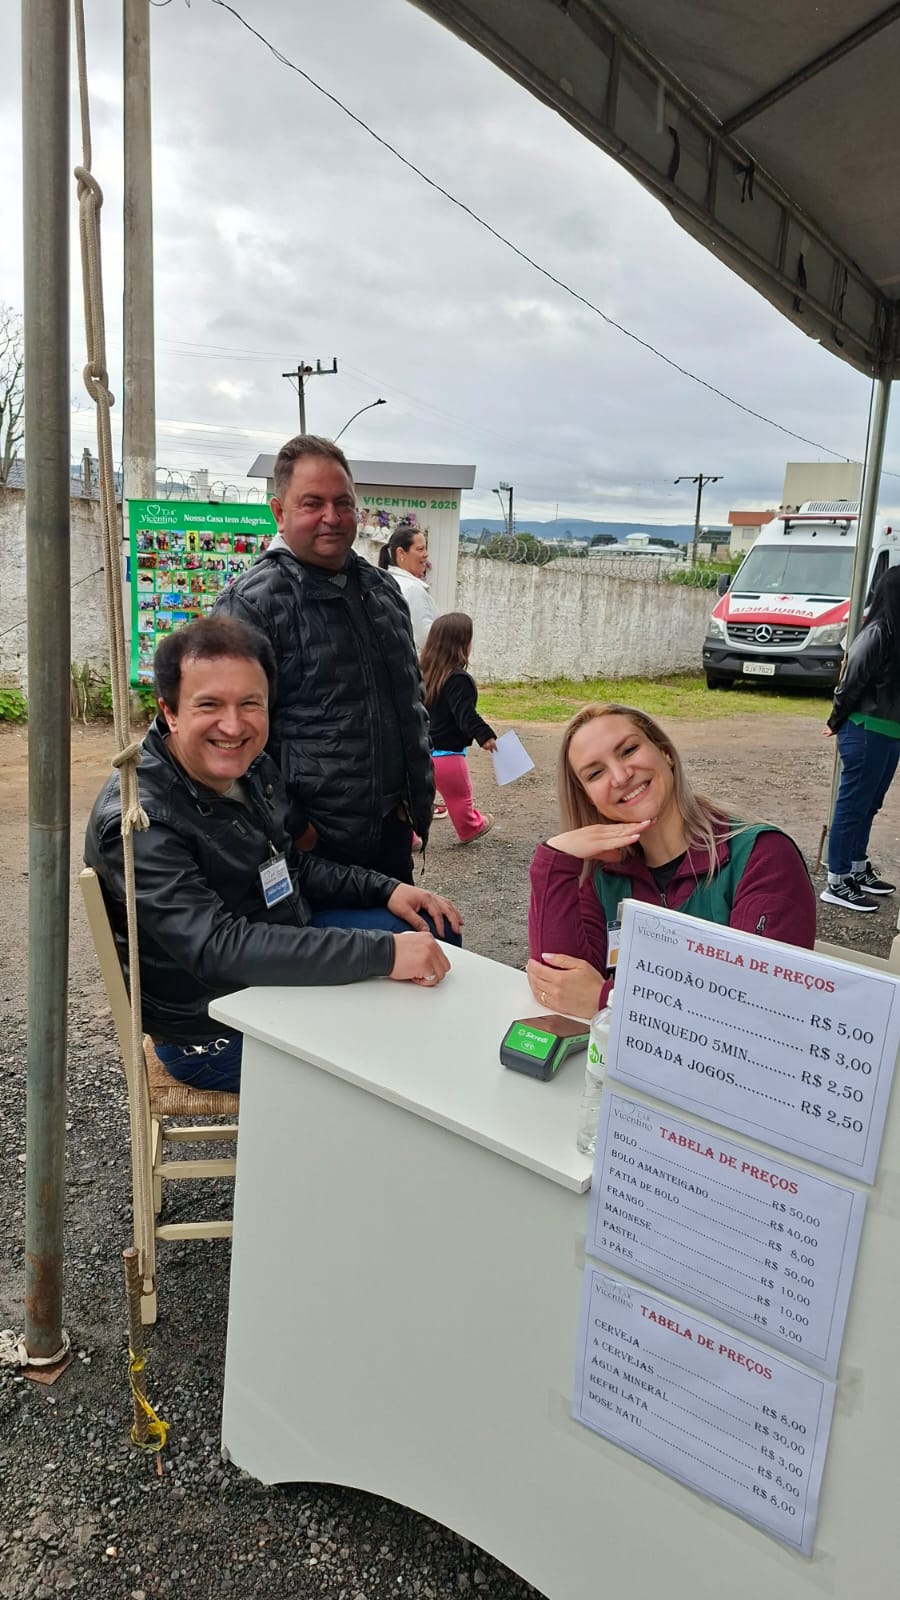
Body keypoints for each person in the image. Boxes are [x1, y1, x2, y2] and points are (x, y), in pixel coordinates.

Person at [84, 617, 461, 1093]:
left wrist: (386, 889)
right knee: (410, 1032)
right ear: (170, 711)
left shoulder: (251, 767)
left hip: (275, 945)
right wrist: (382, 954)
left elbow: (286, 864)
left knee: (432, 929)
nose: (233, 725)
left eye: (250, 704)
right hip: (213, 1025)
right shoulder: (140, 819)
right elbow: (216, 947)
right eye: (209, 705)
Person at [213, 435, 433, 883]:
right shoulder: (249, 607)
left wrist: (411, 799)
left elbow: (409, 699)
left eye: (343, 502)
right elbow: (229, 736)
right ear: (279, 512)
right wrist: (296, 827)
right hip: (313, 854)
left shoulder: (384, 591)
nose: (331, 517)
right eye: (312, 503)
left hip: (391, 836)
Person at [526, 702, 816, 1020]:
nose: (620, 776)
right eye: (596, 773)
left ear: (665, 752)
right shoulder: (602, 873)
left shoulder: (763, 857)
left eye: (629, 750)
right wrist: (554, 860)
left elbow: (761, 1012)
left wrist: (610, 999)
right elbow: (558, 986)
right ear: (587, 797)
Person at [821, 566, 900, 912]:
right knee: (852, 806)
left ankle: (856, 867)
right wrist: (836, 719)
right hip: (865, 730)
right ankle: (837, 880)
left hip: (889, 734)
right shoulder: (878, 633)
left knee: (869, 804)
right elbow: (851, 679)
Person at [421, 613, 496, 843]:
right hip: (448, 757)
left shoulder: (422, 675)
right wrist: (484, 735)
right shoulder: (458, 679)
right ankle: (471, 827)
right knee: (460, 799)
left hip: (420, 753)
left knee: (415, 800)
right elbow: (465, 713)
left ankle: (408, 837)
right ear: (462, 644)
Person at [378, 523, 438, 651]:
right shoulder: (412, 589)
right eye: (420, 549)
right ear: (401, 553)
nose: (426, 554)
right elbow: (427, 639)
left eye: (425, 549)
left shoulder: (388, 581)